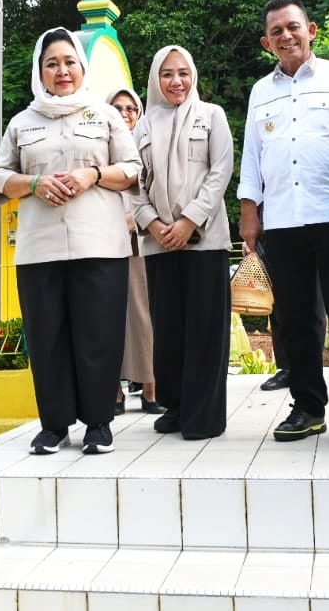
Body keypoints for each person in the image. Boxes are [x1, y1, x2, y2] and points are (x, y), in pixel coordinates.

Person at [0, 27, 142, 456]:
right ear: (39, 71)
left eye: (69, 62)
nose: (62, 71)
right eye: (52, 63)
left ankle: (98, 423)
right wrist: (34, 183)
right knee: (47, 336)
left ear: (82, 67)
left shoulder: (104, 115)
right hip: (40, 248)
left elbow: (132, 168)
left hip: (100, 245)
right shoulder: (23, 122)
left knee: (99, 334)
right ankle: (54, 426)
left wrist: (93, 174)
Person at [238, 0, 329, 446]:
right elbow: (252, 156)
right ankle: (308, 407)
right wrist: (249, 212)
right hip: (282, 221)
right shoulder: (261, 91)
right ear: (266, 42)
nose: (286, 36)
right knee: (296, 320)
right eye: (276, 31)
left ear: (310, 30)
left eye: (293, 26)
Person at [133, 45, 235, 440]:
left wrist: (189, 220)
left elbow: (220, 170)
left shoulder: (212, 116)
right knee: (168, 330)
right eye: (167, 74)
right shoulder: (142, 127)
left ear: (193, 75)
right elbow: (133, 185)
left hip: (204, 240)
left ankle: (203, 416)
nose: (176, 81)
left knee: (205, 330)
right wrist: (155, 224)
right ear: (155, 80)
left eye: (183, 73)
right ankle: (175, 407)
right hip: (159, 242)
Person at [106, 86, 166, 415]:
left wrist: (137, 220)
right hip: (104, 241)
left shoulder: (147, 144)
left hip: (142, 240)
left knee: (145, 316)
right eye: (117, 107)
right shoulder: (100, 148)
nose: (124, 113)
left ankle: (151, 389)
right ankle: (113, 392)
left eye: (131, 108)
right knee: (109, 316)